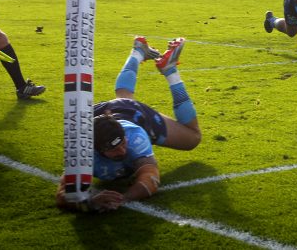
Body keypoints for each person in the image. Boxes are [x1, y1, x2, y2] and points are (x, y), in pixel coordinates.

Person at [56, 36, 200, 212]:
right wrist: (89, 201)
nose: (122, 151)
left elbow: (150, 178)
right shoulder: (82, 152)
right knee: (123, 96)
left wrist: (123, 199)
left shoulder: (134, 136)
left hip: (134, 116)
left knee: (193, 138)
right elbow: (62, 193)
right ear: (96, 149)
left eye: (122, 143)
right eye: (114, 149)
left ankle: (170, 70)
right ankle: (138, 52)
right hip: (100, 113)